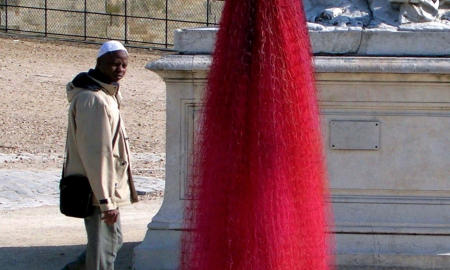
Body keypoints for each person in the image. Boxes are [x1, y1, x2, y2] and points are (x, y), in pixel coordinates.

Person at [61, 40, 139, 270]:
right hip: (97, 191)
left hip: (103, 189)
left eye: (124, 65)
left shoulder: (105, 95)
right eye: (115, 64)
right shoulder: (93, 100)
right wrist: (106, 201)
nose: (120, 70)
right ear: (100, 63)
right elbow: (97, 154)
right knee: (103, 252)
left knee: (112, 241)